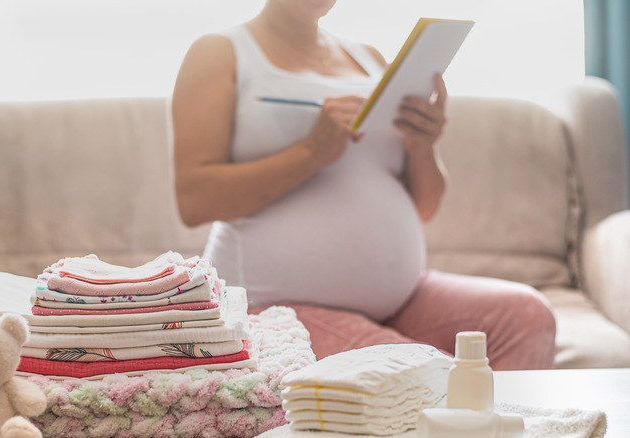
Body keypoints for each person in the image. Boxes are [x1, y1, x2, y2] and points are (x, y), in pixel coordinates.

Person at [171, 0, 556, 370]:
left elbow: (424, 207)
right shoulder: (220, 52)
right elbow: (194, 202)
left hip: (402, 295)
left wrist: (423, 145)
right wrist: (311, 152)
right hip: (274, 306)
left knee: (526, 317)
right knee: (416, 371)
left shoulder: (370, 60)